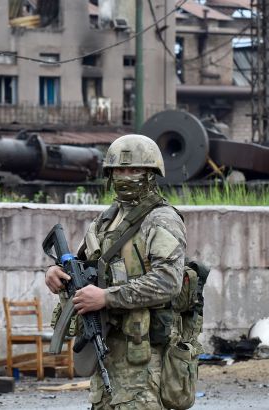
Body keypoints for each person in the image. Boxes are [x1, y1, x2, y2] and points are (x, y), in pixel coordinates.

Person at [45, 134, 188, 409]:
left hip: (144, 358)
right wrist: (57, 274)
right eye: (119, 170)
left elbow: (169, 281)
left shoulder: (161, 219)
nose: (125, 176)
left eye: (134, 169)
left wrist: (107, 297)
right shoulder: (105, 220)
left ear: (150, 174)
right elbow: (81, 267)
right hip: (106, 350)